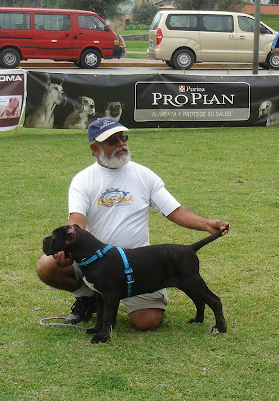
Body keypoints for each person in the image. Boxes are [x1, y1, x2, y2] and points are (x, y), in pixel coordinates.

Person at [36, 117, 230, 330]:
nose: (121, 144)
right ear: (94, 148)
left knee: (147, 322)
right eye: (113, 141)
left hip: (137, 266)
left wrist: (206, 224)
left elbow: (175, 211)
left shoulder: (143, 174)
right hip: (95, 262)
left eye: (123, 138)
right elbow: (76, 221)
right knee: (47, 266)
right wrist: (65, 248)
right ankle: (88, 297)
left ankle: (121, 296)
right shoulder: (83, 180)